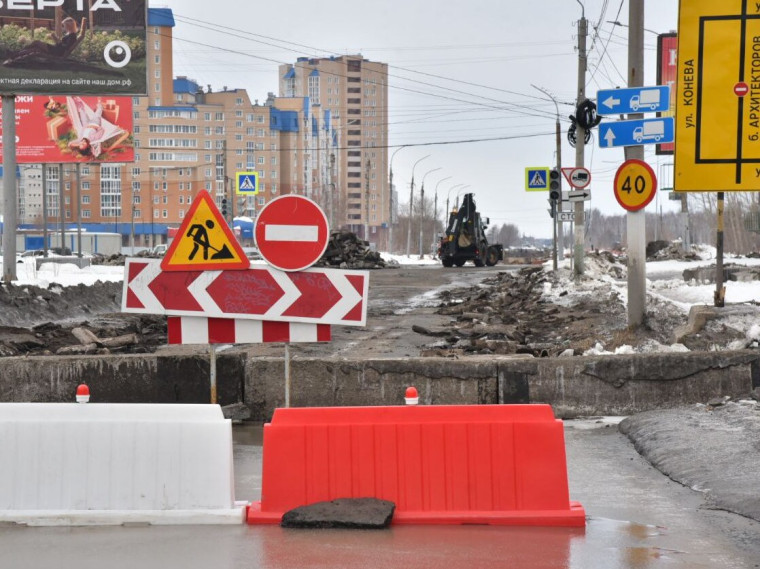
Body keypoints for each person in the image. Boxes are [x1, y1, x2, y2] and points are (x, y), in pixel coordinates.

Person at [3, 17, 86, 66]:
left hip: (57, 52)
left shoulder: (72, 36)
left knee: (37, 43)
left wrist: (55, 39)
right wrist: (56, 39)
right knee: (35, 49)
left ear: (69, 26)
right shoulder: (70, 34)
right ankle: (14, 55)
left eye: (64, 26)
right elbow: (63, 45)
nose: (63, 27)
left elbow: (64, 47)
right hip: (56, 49)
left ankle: (15, 54)